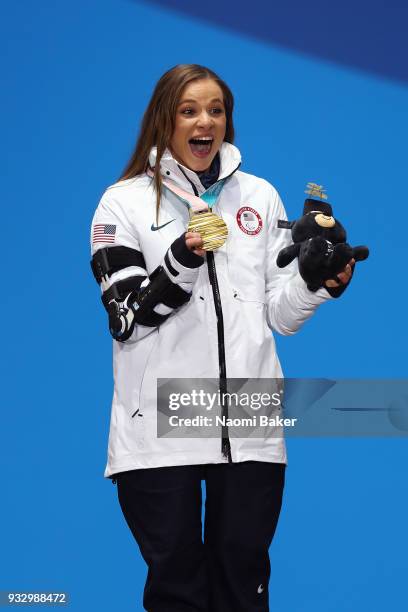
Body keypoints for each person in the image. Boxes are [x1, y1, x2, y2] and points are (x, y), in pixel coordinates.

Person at [90, 64, 353, 612]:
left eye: (215, 109)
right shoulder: (122, 203)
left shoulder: (260, 196)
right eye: (189, 110)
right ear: (165, 120)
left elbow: (279, 315)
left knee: (244, 589)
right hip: (160, 432)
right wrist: (184, 256)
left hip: (251, 425)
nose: (205, 121)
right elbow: (128, 318)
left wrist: (316, 281)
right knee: (178, 592)